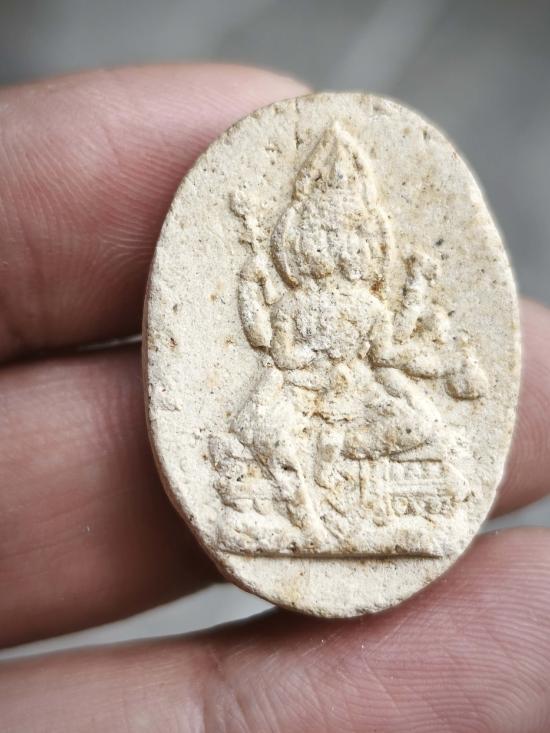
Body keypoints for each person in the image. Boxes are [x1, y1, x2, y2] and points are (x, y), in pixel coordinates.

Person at [0, 64, 549, 732]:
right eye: (324, 238)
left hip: (354, 401)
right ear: (300, 241)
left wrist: (423, 324)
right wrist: (253, 282)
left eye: (352, 240)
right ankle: (311, 506)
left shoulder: (368, 307)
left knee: (420, 428)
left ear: (370, 244)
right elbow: (272, 345)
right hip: (297, 392)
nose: (338, 252)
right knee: (271, 442)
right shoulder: (294, 302)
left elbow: (390, 354)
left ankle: (346, 482)